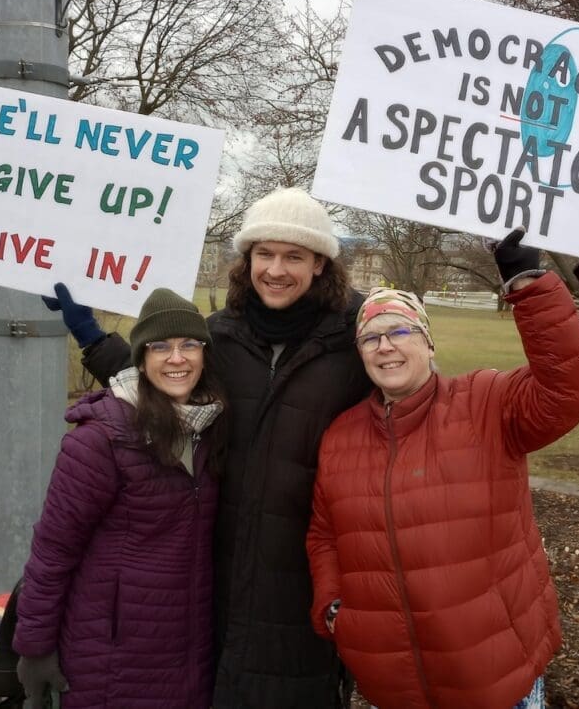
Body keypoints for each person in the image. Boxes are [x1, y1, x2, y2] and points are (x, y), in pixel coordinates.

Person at [44, 187, 372, 708]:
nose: (276, 269)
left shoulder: (355, 342)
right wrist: (89, 335)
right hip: (213, 575)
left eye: (294, 256)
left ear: (320, 265)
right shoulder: (220, 334)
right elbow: (162, 385)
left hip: (303, 583)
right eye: (264, 253)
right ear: (246, 261)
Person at [306, 229, 579, 709]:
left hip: (498, 677)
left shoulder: (486, 402)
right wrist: (336, 605)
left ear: (428, 343)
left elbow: (570, 387)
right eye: (372, 337)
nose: (386, 346)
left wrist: (527, 282)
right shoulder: (341, 436)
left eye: (401, 331)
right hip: (392, 685)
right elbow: (324, 534)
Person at [12, 289, 228, 709]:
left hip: (189, 654)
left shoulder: (211, 430)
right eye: (160, 346)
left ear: (205, 355)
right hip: (111, 659)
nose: (176, 358)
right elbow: (52, 553)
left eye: (189, 345)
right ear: (141, 359)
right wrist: (34, 648)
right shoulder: (100, 440)